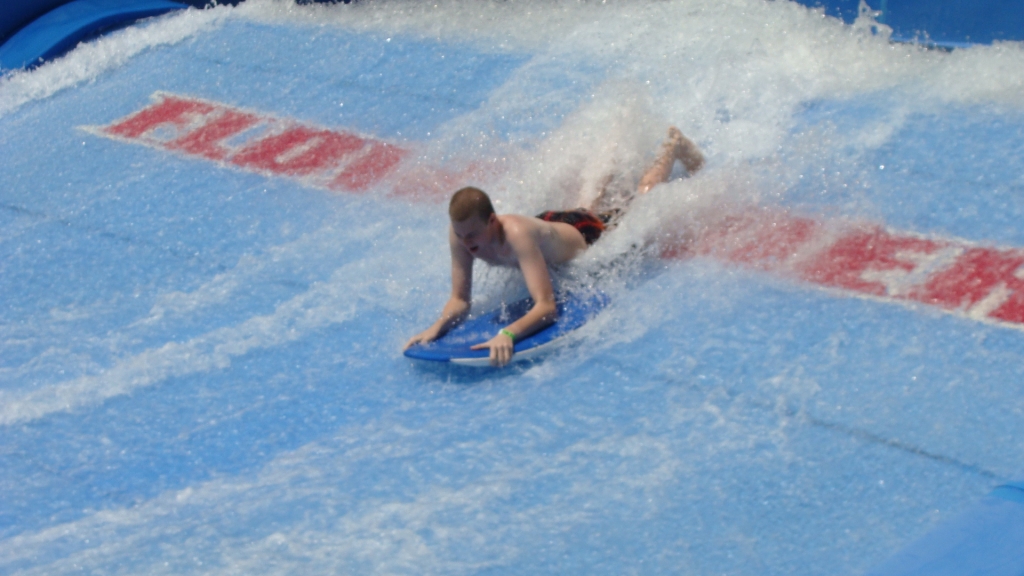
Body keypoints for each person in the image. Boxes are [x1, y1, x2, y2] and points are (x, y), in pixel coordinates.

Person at [404, 127, 704, 366]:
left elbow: (546, 308)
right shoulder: (460, 234)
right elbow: (460, 300)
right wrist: (437, 329)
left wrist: (508, 334)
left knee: (640, 201)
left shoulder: (516, 236)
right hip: (552, 226)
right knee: (596, 206)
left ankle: (673, 146)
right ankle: (617, 153)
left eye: (472, 236)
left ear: (492, 221)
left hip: (585, 235)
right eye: (460, 235)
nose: (465, 243)